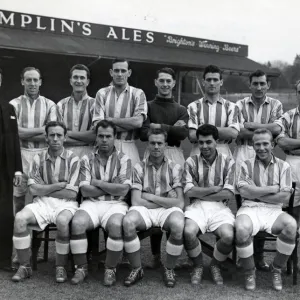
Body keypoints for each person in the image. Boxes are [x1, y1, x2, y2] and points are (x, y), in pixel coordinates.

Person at [11, 121, 80, 283]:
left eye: (59, 135)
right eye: (52, 135)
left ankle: (60, 267)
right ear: (46, 138)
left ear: (65, 137)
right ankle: (24, 266)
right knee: (20, 218)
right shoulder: (38, 158)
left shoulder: (74, 159)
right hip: (42, 203)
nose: (55, 139)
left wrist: (45, 187)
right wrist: (56, 186)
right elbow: (34, 190)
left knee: (63, 221)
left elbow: (71, 193)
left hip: (66, 204)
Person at [69, 120, 132, 286]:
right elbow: (85, 191)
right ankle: (81, 268)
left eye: (108, 136)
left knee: (116, 225)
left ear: (115, 138)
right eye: (101, 136)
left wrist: (97, 182)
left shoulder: (125, 159)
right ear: (96, 138)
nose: (104, 140)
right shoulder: (86, 159)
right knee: (77, 223)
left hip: (116, 205)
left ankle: (110, 269)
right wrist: (112, 185)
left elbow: (124, 191)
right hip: (91, 203)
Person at [235, 128, 296, 291]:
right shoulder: (245, 165)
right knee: (241, 229)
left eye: (265, 143)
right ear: (253, 146)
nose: (261, 148)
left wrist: (255, 192)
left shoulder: (284, 166)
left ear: (273, 144)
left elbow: (284, 197)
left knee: (291, 226)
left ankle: (276, 269)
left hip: (274, 211)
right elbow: (243, 192)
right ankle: (249, 271)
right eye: (257, 144)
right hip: (249, 208)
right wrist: (272, 188)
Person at [122, 128, 185, 288]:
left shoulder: (175, 168)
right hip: (146, 209)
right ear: (148, 145)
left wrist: (150, 196)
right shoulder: (138, 167)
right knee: (128, 222)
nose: (156, 147)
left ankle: (169, 268)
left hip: (165, 210)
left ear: (165, 145)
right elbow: (136, 201)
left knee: (178, 224)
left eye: (159, 143)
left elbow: (179, 203)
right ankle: (137, 269)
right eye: (152, 143)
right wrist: (164, 199)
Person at [233, 69, 283, 271]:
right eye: (256, 83)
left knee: (262, 204)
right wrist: (264, 128)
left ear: (268, 85)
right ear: (249, 84)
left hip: (264, 154)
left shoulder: (276, 104)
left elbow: (277, 130)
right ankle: (243, 254)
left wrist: (251, 125)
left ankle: (259, 256)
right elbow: (239, 131)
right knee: (245, 203)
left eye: (263, 83)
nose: (259, 87)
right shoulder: (239, 104)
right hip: (243, 152)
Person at [139, 67, 188, 268]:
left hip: (174, 153)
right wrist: (171, 128)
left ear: (174, 83)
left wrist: (158, 127)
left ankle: (170, 256)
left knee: (171, 200)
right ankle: (155, 255)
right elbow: (143, 133)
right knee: (153, 196)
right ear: (156, 82)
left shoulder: (181, 109)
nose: (165, 84)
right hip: (152, 152)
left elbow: (183, 134)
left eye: (169, 81)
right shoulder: (147, 106)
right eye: (162, 81)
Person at [182, 124, 235, 285]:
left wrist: (200, 191)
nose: (204, 146)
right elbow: (189, 192)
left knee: (228, 236)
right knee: (189, 232)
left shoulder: (228, 162)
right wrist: (213, 189)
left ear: (216, 141)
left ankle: (215, 265)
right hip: (197, 206)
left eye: (208, 142)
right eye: (201, 142)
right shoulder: (190, 161)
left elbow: (228, 193)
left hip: (220, 207)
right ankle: (198, 265)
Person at [9, 67, 57, 214]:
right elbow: (13, 133)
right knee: (18, 197)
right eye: (28, 80)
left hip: (43, 155)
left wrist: (23, 132)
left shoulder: (50, 104)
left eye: (35, 80)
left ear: (40, 82)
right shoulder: (13, 104)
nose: (32, 83)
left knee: (40, 199)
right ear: (22, 81)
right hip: (20, 155)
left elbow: (52, 133)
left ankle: (37, 236)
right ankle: (18, 233)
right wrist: (42, 129)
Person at [92, 58, 147, 167]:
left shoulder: (138, 93)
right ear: (111, 73)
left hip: (128, 145)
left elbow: (138, 123)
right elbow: (97, 126)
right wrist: (128, 124)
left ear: (129, 73)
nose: (120, 74)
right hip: (104, 144)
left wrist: (110, 120)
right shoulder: (102, 93)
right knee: (102, 179)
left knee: (129, 181)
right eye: (116, 71)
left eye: (123, 71)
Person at [187, 64, 239, 157]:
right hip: (199, 151)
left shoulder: (231, 106)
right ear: (203, 82)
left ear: (221, 82)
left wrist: (202, 129)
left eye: (215, 80)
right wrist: (222, 131)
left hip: (222, 150)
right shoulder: (193, 106)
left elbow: (233, 133)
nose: (212, 83)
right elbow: (192, 135)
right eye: (208, 80)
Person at [0, 68, 23, 269]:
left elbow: (14, 140)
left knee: (5, 215)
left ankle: (4, 259)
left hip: (4, 171)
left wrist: (17, 168)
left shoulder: (8, 108)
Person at [275, 79, 300, 227]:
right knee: (292, 210)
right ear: (296, 94)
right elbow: (282, 142)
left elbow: (288, 141)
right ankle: (292, 247)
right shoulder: (288, 116)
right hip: (293, 163)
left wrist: (294, 142)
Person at [57, 64, 95, 158]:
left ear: (87, 82)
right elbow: (58, 136)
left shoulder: (95, 104)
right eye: (75, 77)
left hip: (89, 154)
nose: (78, 81)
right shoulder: (61, 104)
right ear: (70, 81)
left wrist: (68, 133)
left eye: (82, 78)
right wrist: (86, 139)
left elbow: (95, 136)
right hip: (65, 153)